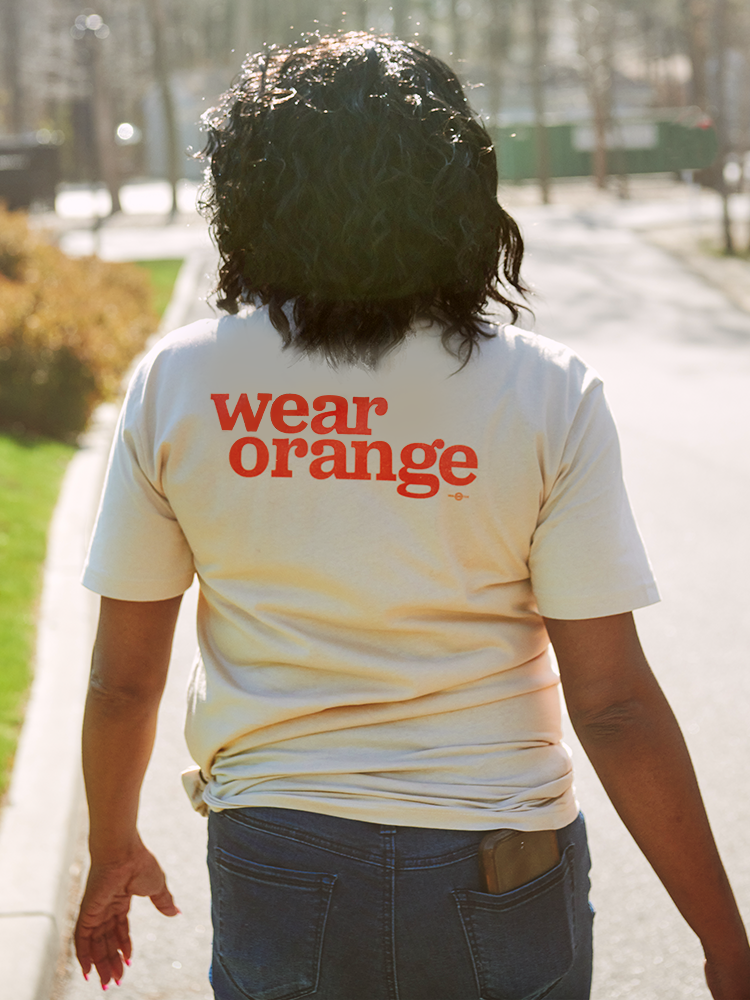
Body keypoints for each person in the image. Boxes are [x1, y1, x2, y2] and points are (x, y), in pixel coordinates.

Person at [74, 32, 750, 1000]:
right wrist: (725, 944)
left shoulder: (182, 381)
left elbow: (122, 680)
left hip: (279, 851)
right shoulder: (544, 391)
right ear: (459, 188)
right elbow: (612, 702)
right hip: (503, 855)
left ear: (250, 195)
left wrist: (112, 845)